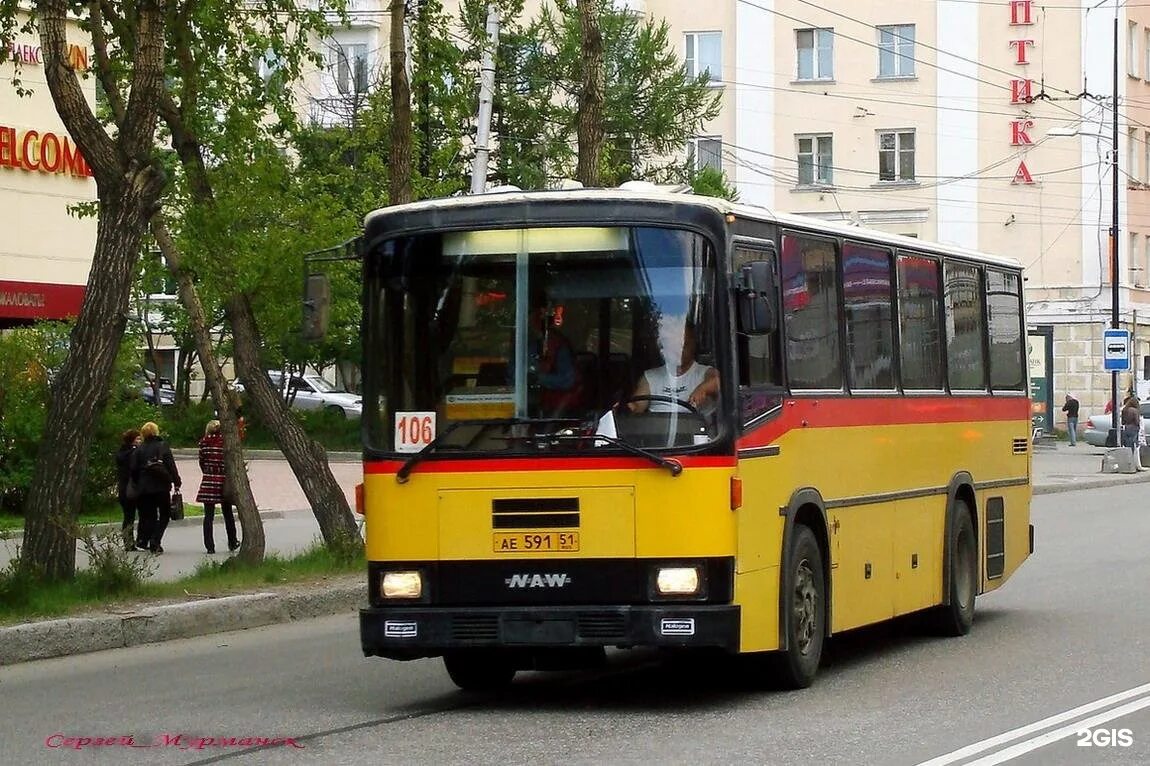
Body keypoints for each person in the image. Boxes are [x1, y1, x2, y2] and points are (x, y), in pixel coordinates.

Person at [630, 324, 719, 414]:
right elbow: (636, 406)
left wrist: (703, 389)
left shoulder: (704, 372)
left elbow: (719, 381)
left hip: (695, 426)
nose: (678, 350)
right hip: (657, 426)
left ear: (693, 345)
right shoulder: (651, 377)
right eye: (673, 345)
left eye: (683, 344)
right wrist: (627, 408)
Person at [129, 421, 181, 554]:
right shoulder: (162, 446)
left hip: (143, 488)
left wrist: (137, 482)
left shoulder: (139, 449)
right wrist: (177, 481)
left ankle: (146, 540)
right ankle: (155, 540)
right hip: (161, 486)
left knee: (149, 515)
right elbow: (170, 465)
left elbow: (133, 469)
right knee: (165, 514)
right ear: (156, 432)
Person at [196, 420, 239, 554]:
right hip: (223, 480)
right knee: (228, 513)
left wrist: (208, 471)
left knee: (208, 515)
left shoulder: (203, 443)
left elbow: (201, 462)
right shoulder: (225, 443)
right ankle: (232, 541)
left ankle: (210, 546)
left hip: (208, 480)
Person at [115, 429, 141, 551]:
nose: (140, 441)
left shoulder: (121, 453)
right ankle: (131, 542)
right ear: (132, 440)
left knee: (128, 516)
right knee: (131, 516)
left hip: (122, 487)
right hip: (131, 487)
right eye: (138, 439)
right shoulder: (134, 453)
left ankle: (128, 541)